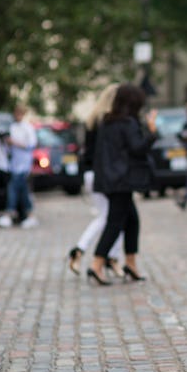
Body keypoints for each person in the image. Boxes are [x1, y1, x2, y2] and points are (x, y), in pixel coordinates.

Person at [87, 84, 158, 286]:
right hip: (121, 180)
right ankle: (97, 263)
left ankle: (130, 263)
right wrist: (152, 132)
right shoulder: (127, 123)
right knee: (115, 222)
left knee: (131, 220)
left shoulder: (107, 122)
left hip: (110, 179)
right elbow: (138, 148)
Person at [67, 84, 125, 278]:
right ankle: (94, 253)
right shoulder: (107, 121)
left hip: (92, 173)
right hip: (103, 174)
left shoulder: (92, 120)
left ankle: (104, 256)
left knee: (111, 217)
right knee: (112, 218)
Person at [0, 104, 38, 228]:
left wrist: (14, 142)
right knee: (22, 190)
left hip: (24, 164)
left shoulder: (27, 128)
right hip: (14, 164)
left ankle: (11, 213)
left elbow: (31, 145)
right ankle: (27, 214)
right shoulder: (13, 127)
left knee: (15, 188)